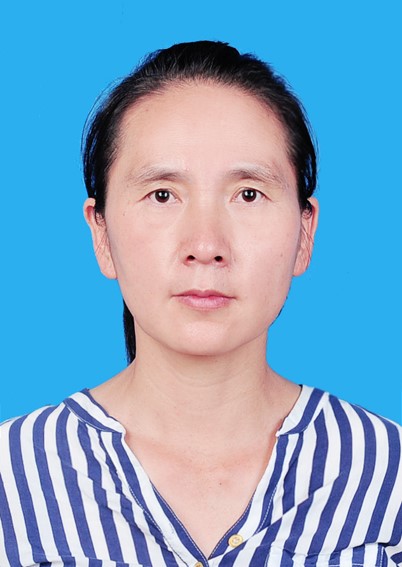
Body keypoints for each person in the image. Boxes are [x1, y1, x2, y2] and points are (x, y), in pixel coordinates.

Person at [0, 41, 401, 567]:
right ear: (101, 234)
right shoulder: (13, 475)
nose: (206, 244)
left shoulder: (386, 473)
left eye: (248, 194)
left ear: (305, 234)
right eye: (162, 195)